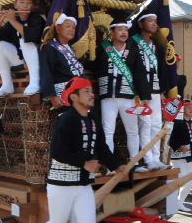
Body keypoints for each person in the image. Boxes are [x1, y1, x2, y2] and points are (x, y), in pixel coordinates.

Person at [19, 77, 126, 223]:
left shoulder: (93, 119)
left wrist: (116, 166)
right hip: (61, 184)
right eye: (86, 91)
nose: (92, 94)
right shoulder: (66, 119)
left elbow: (101, 147)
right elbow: (58, 151)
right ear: (74, 97)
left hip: (83, 184)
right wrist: (85, 162)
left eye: (91, 90)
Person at [89, 18, 151, 170]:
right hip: (108, 96)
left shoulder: (133, 50)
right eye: (120, 29)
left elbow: (140, 73)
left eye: (126, 29)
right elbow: (94, 65)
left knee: (132, 131)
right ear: (112, 32)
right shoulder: (103, 48)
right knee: (107, 131)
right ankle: (110, 167)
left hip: (128, 96)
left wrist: (144, 96)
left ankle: (135, 163)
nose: (124, 32)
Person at [132, 10, 170, 170]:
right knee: (145, 124)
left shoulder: (157, 46)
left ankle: (155, 157)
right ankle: (147, 158)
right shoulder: (133, 42)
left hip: (155, 89)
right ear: (141, 24)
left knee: (156, 125)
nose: (154, 23)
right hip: (140, 90)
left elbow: (162, 69)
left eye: (155, 21)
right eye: (150, 20)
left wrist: (162, 91)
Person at [0, 0, 45, 96]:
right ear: (15, 5)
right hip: (20, 60)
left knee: (25, 41)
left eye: (29, 3)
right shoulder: (13, 20)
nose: (25, 6)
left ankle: (35, 82)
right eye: (22, 2)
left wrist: (13, 21)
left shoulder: (37, 19)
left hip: (37, 60)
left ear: (32, 6)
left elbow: (33, 37)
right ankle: (7, 84)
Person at [40, 14, 84, 112]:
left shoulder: (70, 48)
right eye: (67, 26)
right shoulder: (50, 48)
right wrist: (52, 96)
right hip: (62, 94)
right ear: (58, 29)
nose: (71, 29)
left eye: (73, 27)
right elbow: (46, 73)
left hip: (77, 94)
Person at [169, 100, 192, 213]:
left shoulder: (191, 123)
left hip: (190, 155)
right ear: (182, 110)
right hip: (177, 156)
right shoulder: (177, 122)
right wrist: (179, 147)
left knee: (190, 180)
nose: (191, 109)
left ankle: (179, 203)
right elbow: (170, 139)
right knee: (182, 179)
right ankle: (171, 202)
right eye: (188, 107)